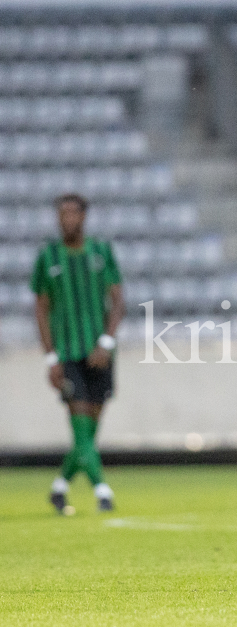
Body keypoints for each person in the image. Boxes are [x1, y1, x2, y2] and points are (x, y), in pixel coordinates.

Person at [31, 193, 125, 515]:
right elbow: (41, 310)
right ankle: (103, 491)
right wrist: (51, 358)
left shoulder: (101, 252)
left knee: (88, 432)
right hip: (68, 354)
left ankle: (59, 489)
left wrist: (107, 342)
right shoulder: (48, 256)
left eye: (72, 213)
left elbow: (118, 301)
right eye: (62, 214)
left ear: (84, 217)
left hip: (100, 354)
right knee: (80, 426)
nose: (66, 220)